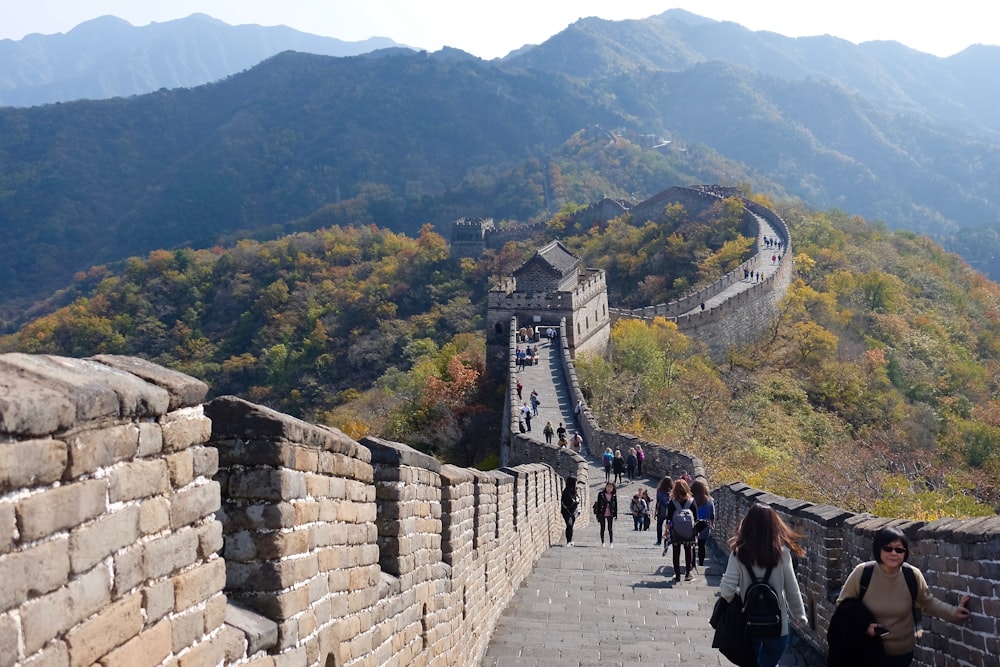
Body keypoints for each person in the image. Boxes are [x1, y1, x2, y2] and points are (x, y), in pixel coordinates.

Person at [831, 526, 971, 667]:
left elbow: (928, 603)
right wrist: (864, 625)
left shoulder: (911, 575)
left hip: (901, 654)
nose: (893, 553)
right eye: (888, 548)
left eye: (899, 549)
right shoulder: (863, 573)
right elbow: (843, 605)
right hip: (866, 650)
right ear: (878, 548)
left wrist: (954, 612)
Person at [720, 504, 808, 667]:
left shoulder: (738, 553)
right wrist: (799, 615)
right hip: (778, 626)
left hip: (748, 624)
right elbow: (791, 589)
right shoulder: (782, 554)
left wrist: (740, 595)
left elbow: (726, 591)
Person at [666, 479, 697, 582]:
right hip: (689, 532)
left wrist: (667, 530)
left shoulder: (672, 502)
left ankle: (677, 575)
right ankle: (688, 573)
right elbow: (696, 518)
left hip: (676, 532)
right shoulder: (691, 501)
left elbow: (669, 518)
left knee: (676, 552)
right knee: (688, 551)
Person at [691, 480, 716, 566]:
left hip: (693, 526)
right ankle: (701, 563)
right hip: (705, 527)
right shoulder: (709, 501)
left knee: (692, 545)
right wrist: (712, 523)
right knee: (702, 545)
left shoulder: (691, 500)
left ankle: (692, 562)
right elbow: (712, 514)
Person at [593, 481, 617, 547]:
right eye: (608, 486)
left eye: (611, 487)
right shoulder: (601, 494)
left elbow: (616, 506)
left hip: (610, 513)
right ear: (605, 487)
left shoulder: (614, 495)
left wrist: (615, 515)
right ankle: (603, 542)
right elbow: (598, 505)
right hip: (602, 513)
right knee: (602, 528)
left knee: (610, 528)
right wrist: (597, 515)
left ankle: (611, 542)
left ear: (613, 488)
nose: (609, 488)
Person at [560, 476, 581, 547]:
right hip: (566, 511)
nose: (576, 484)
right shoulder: (565, 492)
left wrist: (577, 500)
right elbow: (566, 502)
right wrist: (574, 502)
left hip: (573, 511)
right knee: (569, 524)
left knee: (571, 526)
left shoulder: (574, 491)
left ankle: (570, 540)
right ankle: (568, 541)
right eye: (575, 482)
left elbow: (577, 498)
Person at [654, 476, 673, 546]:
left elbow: (658, 501)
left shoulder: (659, 491)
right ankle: (667, 540)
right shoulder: (672, 490)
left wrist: (656, 511)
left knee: (659, 525)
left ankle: (659, 541)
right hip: (670, 510)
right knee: (669, 526)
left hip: (661, 510)